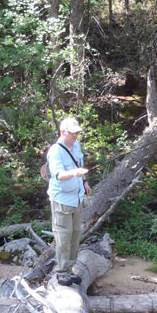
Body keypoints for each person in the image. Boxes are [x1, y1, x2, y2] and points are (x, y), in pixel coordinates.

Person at [47, 117, 92, 286]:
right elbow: (59, 175)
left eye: (78, 133)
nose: (76, 136)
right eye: (73, 133)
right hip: (62, 201)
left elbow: (79, 164)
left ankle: (70, 268)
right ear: (63, 132)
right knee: (63, 237)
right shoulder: (55, 151)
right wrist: (75, 173)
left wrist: (85, 182)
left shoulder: (77, 146)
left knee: (75, 235)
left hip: (77, 198)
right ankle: (61, 272)